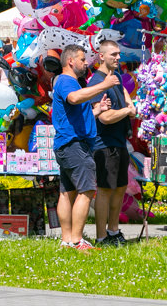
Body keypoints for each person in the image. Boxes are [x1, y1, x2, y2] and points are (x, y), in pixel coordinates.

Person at [52, 44, 116, 251]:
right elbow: (74, 98)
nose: (86, 63)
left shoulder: (71, 83)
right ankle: (77, 241)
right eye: (82, 59)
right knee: (87, 190)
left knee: (67, 192)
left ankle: (68, 239)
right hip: (74, 145)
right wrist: (103, 85)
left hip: (68, 143)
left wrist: (97, 110)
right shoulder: (66, 81)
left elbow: (76, 114)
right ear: (70, 61)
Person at [88, 39, 136, 246]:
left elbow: (127, 98)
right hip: (104, 144)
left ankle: (114, 231)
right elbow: (104, 117)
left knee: (120, 188)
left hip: (119, 141)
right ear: (101, 56)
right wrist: (127, 110)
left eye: (118, 54)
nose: (117, 57)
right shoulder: (96, 82)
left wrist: (129, 106)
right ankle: (101, 237)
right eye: (113, 55)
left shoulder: (115, 77)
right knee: (105, 190)